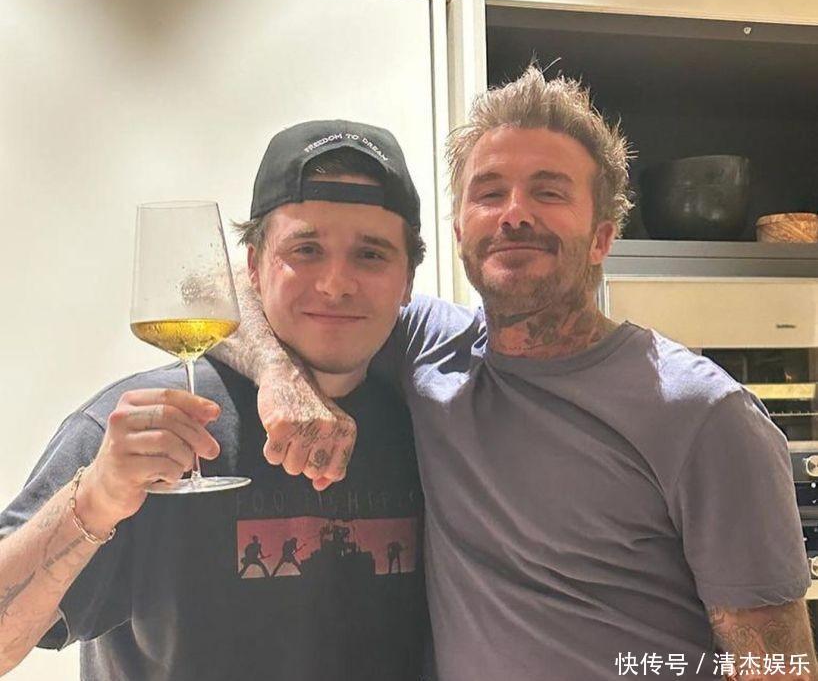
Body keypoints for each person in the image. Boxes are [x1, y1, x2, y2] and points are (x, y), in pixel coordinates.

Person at [219, 68, 816, 680]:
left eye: (549, 192)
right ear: (459, 233)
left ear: (602, 237)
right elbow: (218, 286)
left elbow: (779, 665)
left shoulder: (702, 414)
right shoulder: (425, 344)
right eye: (489, 192)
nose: (514, 215)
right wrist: (278, 376)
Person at [0, 120, 429, 680]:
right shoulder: (139, 428)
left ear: (408, 280)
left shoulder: (430, 422)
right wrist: (96, 500)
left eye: (370, 255)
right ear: (252, 266)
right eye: (305, 249)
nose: (335, 283)